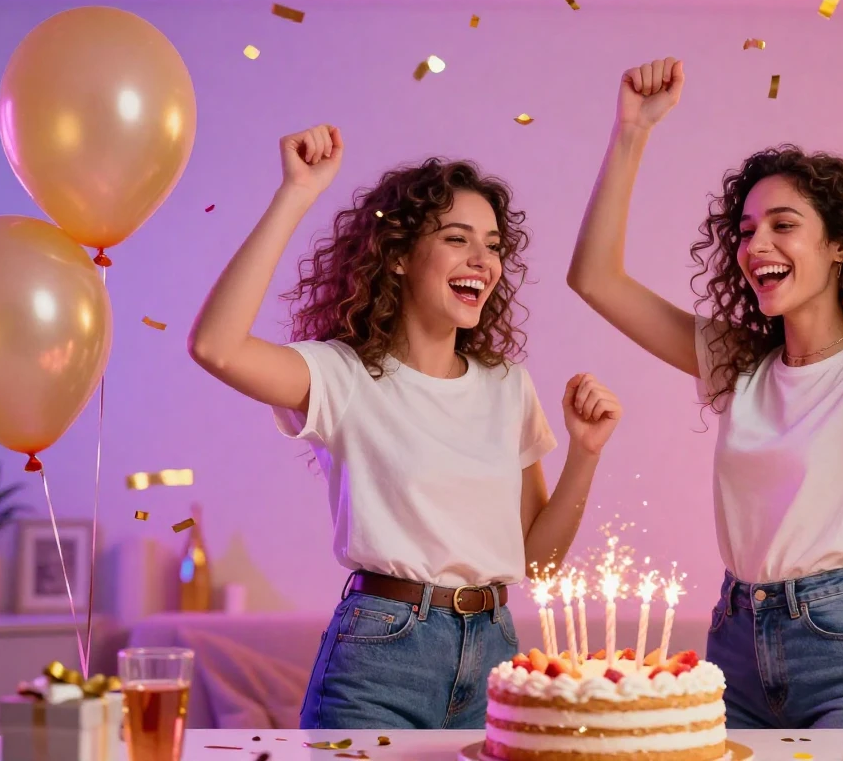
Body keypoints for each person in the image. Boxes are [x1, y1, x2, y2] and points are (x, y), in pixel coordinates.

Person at [567, 59, 843, 729]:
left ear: (837, 246)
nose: (756, 245)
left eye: (782, 225)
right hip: (736, 643)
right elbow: (595, 278)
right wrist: (631, 133)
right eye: (745, 231)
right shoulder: (742, 364)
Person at [190, 124, 623, 729]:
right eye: (456, 238)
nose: (483, 260)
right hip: (381, 657)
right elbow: (216, 346)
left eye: (493, 245)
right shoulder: (342, 375)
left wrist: (586, 452)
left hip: (497, 655)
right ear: (396, 257)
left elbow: (539, 563)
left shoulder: (506, 386)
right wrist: (296, 193)